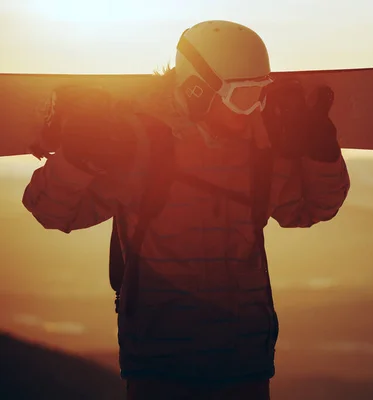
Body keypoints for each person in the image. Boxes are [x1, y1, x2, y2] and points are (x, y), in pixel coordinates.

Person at [22, 20, 350, 399]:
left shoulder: (259, 151)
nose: (254, 110)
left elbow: (311, 209)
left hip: (244, 360)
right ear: (198, 90)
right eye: (243, 97)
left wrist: (322, 154)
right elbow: (52, 211)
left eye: (262, 94)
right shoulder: (141, 147)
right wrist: (77, 160)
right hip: (161, 363)